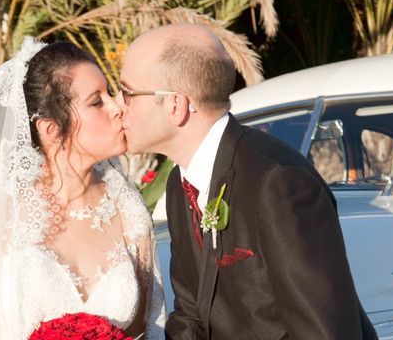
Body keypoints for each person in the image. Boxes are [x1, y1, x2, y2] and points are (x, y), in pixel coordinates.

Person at [117, 24, 378, 340]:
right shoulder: (178, 183)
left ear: (176, 105)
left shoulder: (278, 183)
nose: (119, 106)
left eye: (127, 93)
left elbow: (325, 333)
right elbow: (190, 315)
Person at [0, 39, 165, 339]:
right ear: (51, 129)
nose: (117, 107)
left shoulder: (128, 211)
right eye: (97, 102)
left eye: (110, 95)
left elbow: (144, 330)